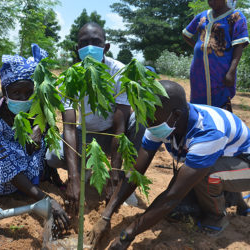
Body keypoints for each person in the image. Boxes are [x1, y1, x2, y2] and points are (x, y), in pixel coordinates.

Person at [88, 80, 250, 249]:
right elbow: (135, 172)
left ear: (177, 115)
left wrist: (127, 235)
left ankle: (216, 217)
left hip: (245, 165)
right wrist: (106, 216)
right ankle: (231, 197)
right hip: (225, 159)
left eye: (151, 117)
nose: (147, 122)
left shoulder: (208, 132)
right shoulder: (162, 120)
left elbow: (172, 196)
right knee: (179, 208)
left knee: (207, 175)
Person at [0, 44, 70, 233]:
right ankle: (25, 189)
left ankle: (33, 182)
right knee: (11, 162)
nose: (23, 98)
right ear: (4, 91)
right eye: (16, 93)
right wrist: (46, 199)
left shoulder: (36, 108)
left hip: (25, 164)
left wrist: (38, 127)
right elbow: (9, 168)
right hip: (1, 173)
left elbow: (46, 122)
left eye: (28, 92)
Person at [45, 22, 143, 214]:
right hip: (85, 135)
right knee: (52, 156)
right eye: (84, 42)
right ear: (77, 48)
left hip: (112, 133)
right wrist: (73, 178)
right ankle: (87, 172)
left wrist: (114, 177)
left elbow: (120, 126)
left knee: (140, 123)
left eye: (96, 42)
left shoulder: (119, 72)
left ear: (106, 47)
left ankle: (123, 182)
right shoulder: (69, 78)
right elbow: (70, 127)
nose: (90, 46)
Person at [182, 0, 249, 110]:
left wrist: (231, 72)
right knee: (198, 101)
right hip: (198, 70)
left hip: (220, 69)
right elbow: (186, 34)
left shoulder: (236, 16)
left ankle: (221, 124)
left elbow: (239, 45)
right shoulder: (202, 16)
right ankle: (201, 124)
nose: (211, 2)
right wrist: (198, 47)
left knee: (221, 101)